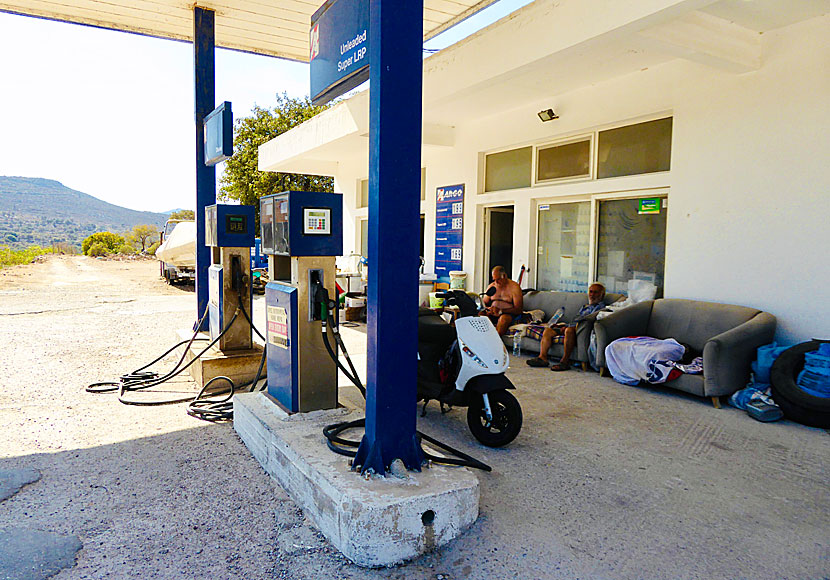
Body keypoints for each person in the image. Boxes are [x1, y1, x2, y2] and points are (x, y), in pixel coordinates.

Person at [526, 282, 607, 371]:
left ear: (602, 295)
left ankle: (565, 362)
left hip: (580, 331)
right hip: (570, 326)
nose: (592, 295)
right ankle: (542, 358)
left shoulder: (601, 308)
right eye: (591, 292)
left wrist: (571, 327)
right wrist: (563, 325)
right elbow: (575, 320)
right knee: (548, 330)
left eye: (595, 292)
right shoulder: (585, 307)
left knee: (569, 330)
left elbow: (587, 322)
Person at [480, 265, 523, 336]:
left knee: (503, 319)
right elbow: (484, 303)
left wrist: (501, 311)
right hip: (492, 314)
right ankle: (486, 337)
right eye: (494, 280)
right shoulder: (492, 286)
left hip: (507, 315)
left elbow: (518, 309)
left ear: (505, 276)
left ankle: (494, 341)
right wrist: (488, 309)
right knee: (480, 315)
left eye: (498, 279)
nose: (496, 282)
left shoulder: (514, 287)